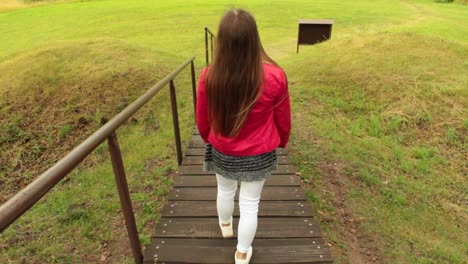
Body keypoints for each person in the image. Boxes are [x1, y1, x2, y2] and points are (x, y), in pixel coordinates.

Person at [196, 8, 291, 264]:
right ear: (253, 38)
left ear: (222, 42)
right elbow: (283, 118)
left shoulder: (208, 75)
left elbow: (202, 119)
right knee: (250, 204)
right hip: (259, 152)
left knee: (224, 191)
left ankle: (225, 225)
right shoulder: (275, 76)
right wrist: (281, 141)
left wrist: (210, 138)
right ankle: (241, 252)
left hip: (222, 148)